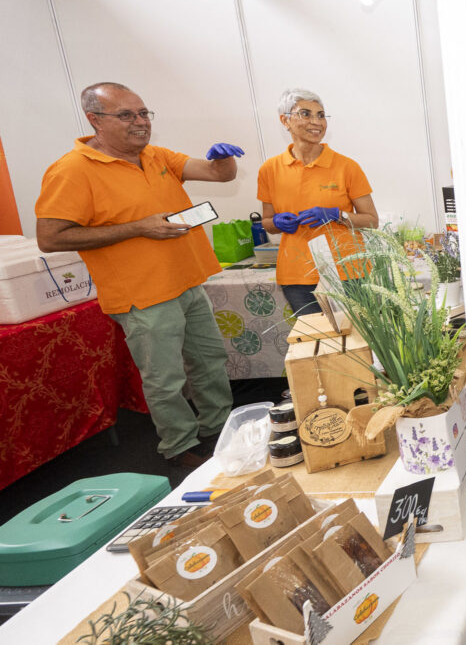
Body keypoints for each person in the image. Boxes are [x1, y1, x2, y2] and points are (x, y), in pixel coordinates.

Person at [35, 82, 244, 468]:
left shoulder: (155, 155)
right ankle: (179, 446)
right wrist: (138, 228)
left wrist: (225, 159)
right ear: (95, 120)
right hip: (141, 294)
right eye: (126, 115)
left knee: (210, 360)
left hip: (187, 280)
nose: (140, 122)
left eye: (144, 113)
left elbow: (219, 175)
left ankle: (221, 428)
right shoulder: (72, 170)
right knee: (166, 378)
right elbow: (50, 237)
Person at [259, 89, 379, 316]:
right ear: (285, 120)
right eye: (305, 114)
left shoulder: (347, 167)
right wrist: (276, 222)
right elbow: (267, 222)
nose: (316, 122)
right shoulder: (270, 169)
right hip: (296, 277)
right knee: (313, 335)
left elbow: (372, 221)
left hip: (348, 273)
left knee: (356, 335)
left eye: (321, 115)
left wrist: (337, 215)